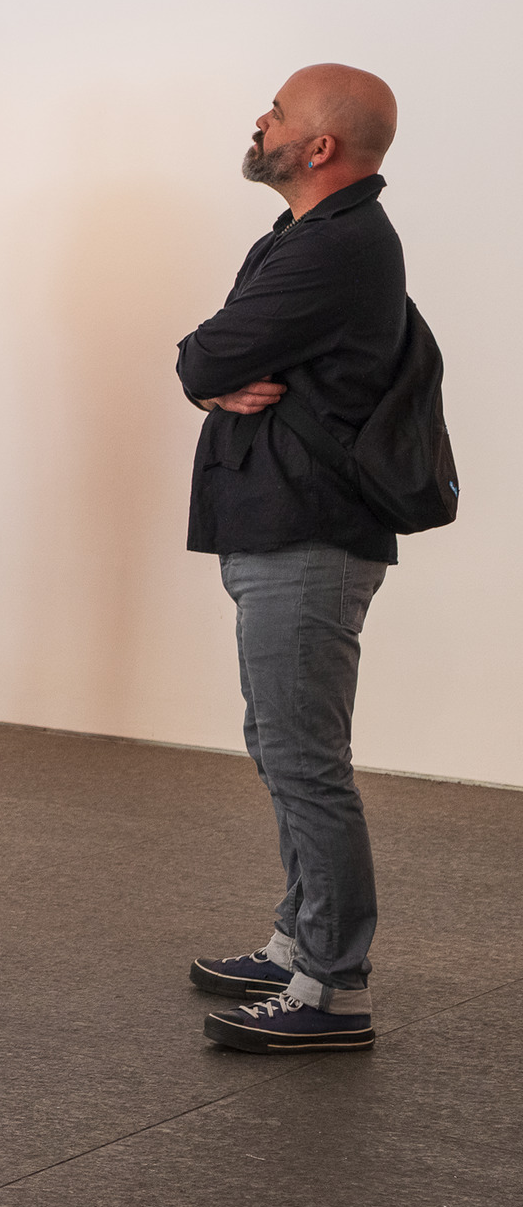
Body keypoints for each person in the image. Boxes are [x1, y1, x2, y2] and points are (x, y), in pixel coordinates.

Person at [176, 66, 409, 1055]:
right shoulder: (306, 237)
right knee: (279, 743)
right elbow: (220, 364)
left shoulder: (339, 246)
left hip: (309, 531)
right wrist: (219, 375)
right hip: (280, 523)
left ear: (320, 148)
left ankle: (333, 986)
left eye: (278, 112)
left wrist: (211, 372)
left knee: (306, 759)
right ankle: (299, 942)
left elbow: (203, 355)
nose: (259, 120)